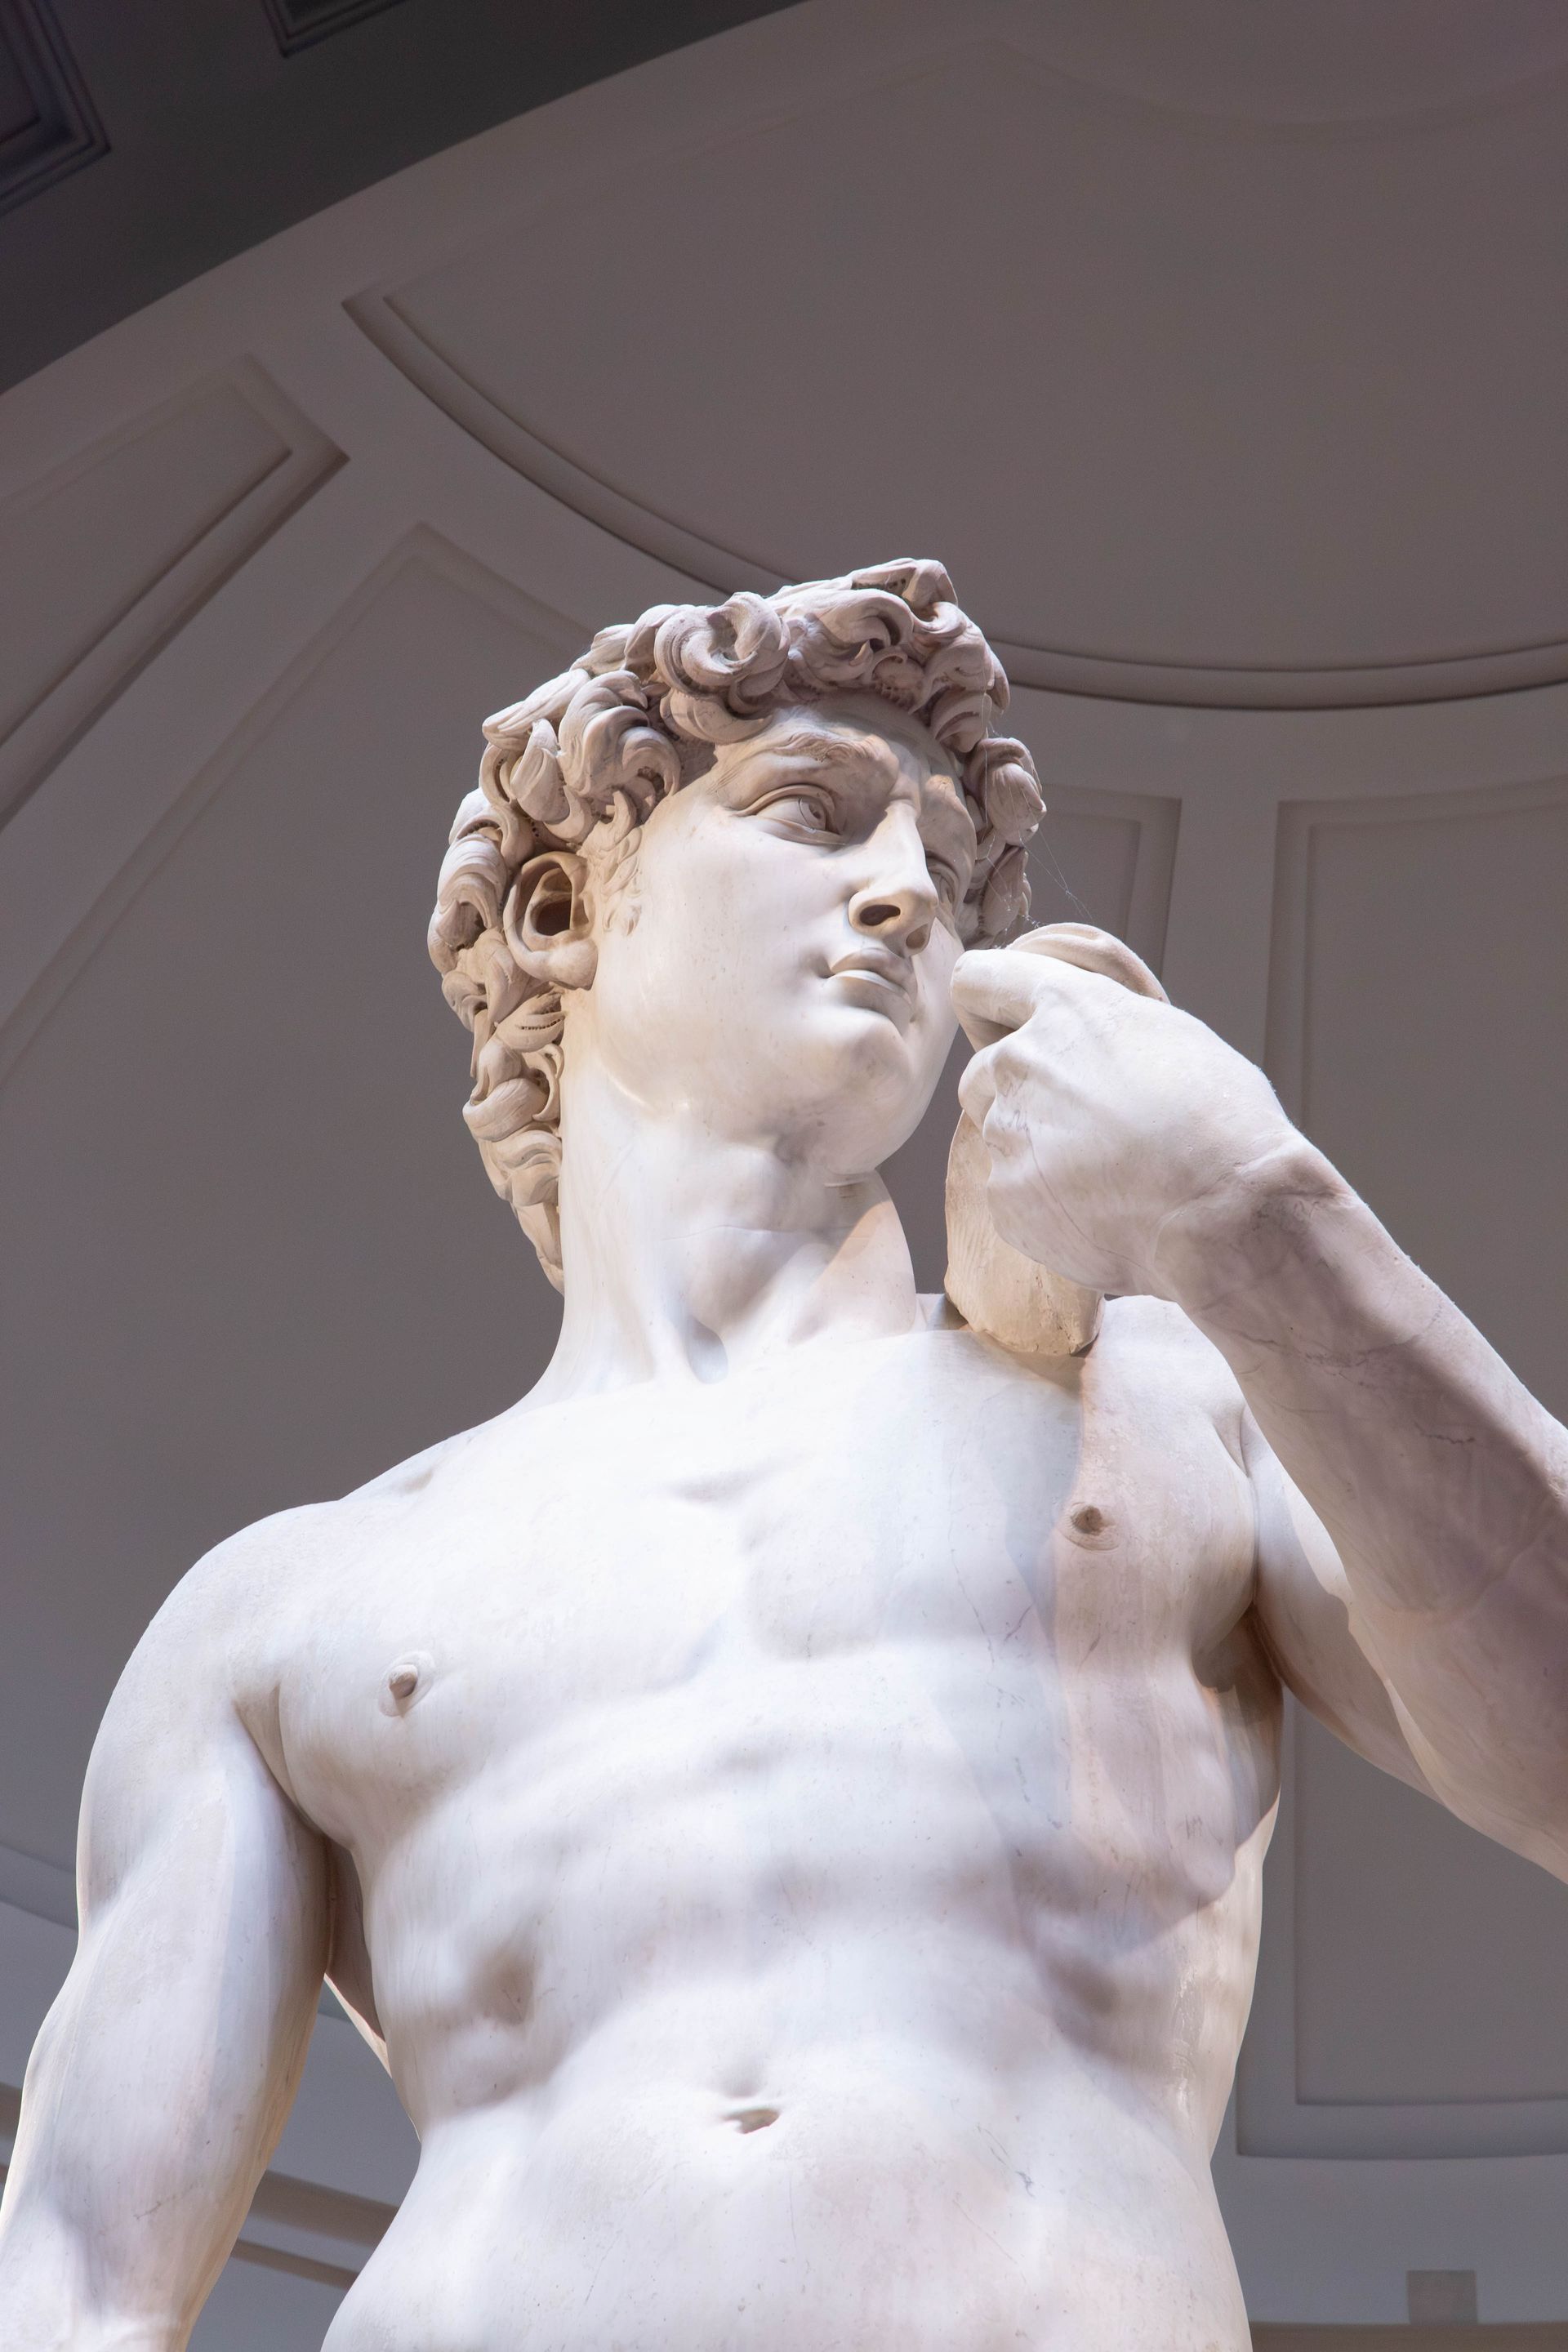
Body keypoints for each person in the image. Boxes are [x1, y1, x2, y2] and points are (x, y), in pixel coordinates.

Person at [2, 561, 1564, 2352]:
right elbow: (77, 2286)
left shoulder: (1161, 1399)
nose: (909, 895)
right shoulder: (290, 1605)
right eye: (812, 816)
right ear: (564, 903)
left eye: (951, 869)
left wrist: (1254, 1214)